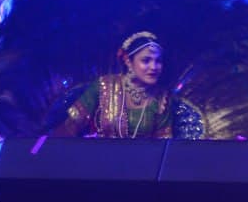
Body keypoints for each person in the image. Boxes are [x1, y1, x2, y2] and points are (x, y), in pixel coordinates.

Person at [51, 31, 201, 139]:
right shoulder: (104, 86)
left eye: (158, 61)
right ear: (129, 62)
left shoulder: (162, 99)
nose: (154, 67)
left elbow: (163, 147)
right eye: (146, 60)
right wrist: (40, 152)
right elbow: (70, 128)